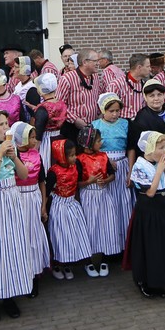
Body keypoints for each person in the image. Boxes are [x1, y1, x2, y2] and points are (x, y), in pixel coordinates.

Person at [124, 131, 165, 298]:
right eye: (161, 148)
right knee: (150, 247)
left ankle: (160, 279)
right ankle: (146, 281)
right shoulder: (140, 166)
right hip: (149, 212)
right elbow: (150, 192)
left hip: (163, 209)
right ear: (149, 148)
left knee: (163, 246)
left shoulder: (159, 164)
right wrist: (159, 171)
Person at [9, 122, 50, 293]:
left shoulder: (37, 155)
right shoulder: (13, 154)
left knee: (33, 236)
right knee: (20, 237)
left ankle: (34, 275)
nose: (34, 141)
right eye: (31, 137)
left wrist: (43, 205)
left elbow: (42, 181)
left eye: (35, 137)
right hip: (17, 198)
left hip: (33, 197)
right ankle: (20, 275)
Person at [45, 130, 92, 283]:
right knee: (60, 235)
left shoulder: (75, 166)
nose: (74, 157)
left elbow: (77, 183)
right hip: (59, 206)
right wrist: (44, 208)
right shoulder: (53, 172)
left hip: (72, 204)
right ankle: (58, 264)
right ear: (61, 156)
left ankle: (69, 263)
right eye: (71, 155)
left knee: (74, 233)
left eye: (74, 154)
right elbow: (47, 192)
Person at [91, 93, 134, 250]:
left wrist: (130, 170)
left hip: (122, 165)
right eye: (111, 111)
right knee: (108, 205)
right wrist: (106, 160)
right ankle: (110, 243)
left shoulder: (125, 124)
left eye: (117, 111)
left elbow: (130, 148)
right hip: (104, 167)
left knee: (123, 203)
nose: (115, 114)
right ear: (103, 110)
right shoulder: (95, 125)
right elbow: (92, 148)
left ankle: (124, 243)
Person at [76, 126, 119, 277]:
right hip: (88, 196)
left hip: (103, 195)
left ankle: (104, 259)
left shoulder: (104, 156)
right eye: (98, 141)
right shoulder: (79, 160)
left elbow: (112, 175)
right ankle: (88, 261)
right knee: (90, 228)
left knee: (106, 226)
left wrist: (106, 180)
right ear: (88, 143)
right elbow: (77, 183)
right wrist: (89, 181)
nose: (101, 143)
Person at [58, 47, 103, 130]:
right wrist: (75, 120)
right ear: (85, 62)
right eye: (95, 61)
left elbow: (98, 98)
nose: (98, 63)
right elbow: (59, 105)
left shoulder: (96, 77)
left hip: (92, 126)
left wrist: (100, 113)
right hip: (72, 127)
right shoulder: (67, 78)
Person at [115, 54, 151, 118]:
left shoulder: (144, 84)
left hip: (140, 121)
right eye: (148, 66)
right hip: (122, 122)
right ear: (139, 67)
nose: (150, 69)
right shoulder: (117, 84)